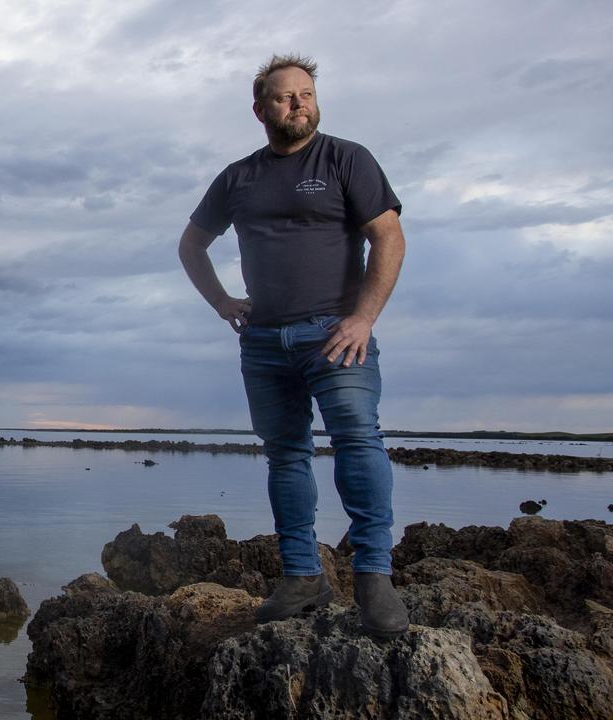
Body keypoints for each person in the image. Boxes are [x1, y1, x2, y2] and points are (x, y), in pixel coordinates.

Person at [177, 54, 409, 638]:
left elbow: (389, 238)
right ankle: (303, 576)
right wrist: (225, 304)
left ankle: (374, 578)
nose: (297, 103)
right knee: (286, 454)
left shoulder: (345, 159)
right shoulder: (238, 177)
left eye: (305, 94)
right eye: (284, 97)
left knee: (358, 438)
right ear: (260, 109)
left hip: (335, 334)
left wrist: (363, 318)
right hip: (263, 341)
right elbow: (191, 246)